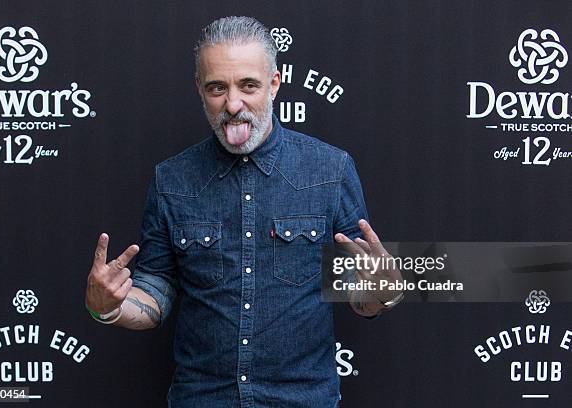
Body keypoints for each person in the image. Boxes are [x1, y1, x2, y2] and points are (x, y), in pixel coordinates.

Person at [85, 16, 401, 408]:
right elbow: (156, 292)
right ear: (200, 90)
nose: (233, 104)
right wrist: (109, 309)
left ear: (273, 84)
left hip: (303, 400)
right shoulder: (171, 179)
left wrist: (382, 291)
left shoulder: (331, 170)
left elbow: (360, 293)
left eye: (248, 85)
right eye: (218, 87)